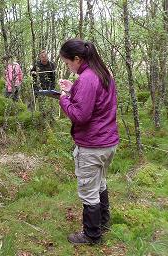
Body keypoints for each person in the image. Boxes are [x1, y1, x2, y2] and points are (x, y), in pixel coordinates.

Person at [58, 39, 119, 245]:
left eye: (68, 64)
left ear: (77, 59)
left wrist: (64, 98)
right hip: (108, 142)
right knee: (100, 182)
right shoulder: (103, 73)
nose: (68, 67)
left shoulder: (87, 78)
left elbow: (80, 115)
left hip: (93, 145)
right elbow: (95, 99)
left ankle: (92, 235)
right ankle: (103, 222)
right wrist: (73, 87)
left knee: (88, 190)